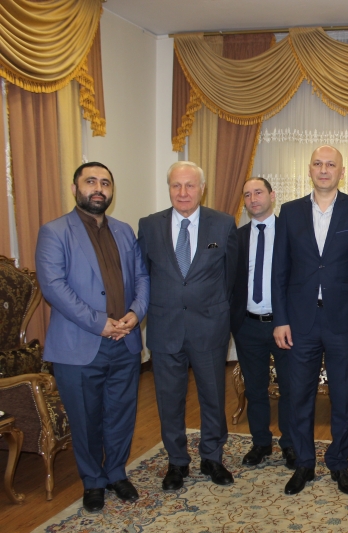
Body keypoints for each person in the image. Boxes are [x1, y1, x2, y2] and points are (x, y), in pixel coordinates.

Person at [35, 162, 149, 513]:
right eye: (90, 182)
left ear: (111, 191)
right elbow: (54, 287)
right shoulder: (55, 232)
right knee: (85, 419)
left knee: (121, 414)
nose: (98, 188)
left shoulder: (124, 231)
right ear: (75, 188)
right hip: (79, 346)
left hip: (125, 341)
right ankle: (93, 481)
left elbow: (142, 277)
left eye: (105, 183)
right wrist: (99, 323)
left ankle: (116, 473)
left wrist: (136, 313)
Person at [272, 145, 348, 495]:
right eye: (317, 163)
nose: (323, 169)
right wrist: (280, 319)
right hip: (299, 322)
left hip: (344, 322)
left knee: (343, 397)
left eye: (330, 164)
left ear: (341, 172)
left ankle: (338, 463)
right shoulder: (289, 212)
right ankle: (304, 463)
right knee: (298, 396)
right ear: (309, 169)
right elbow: (279, 271)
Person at [138, 161, 238, 491]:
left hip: (209, 328)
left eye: (190, 185)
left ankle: (212, 457)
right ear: (169, 188)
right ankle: (177, 462)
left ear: (202, 189)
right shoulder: (149, 226)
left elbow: (230, 278)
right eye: (176, 185)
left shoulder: (223, 224)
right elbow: (143, 276)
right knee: (169, 400)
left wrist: (215, 312)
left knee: (213, 396)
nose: (183, 192)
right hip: (165, 328)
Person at [230, 177, 295, 468]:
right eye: (247, 195)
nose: (253, 199)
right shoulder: (237, 237)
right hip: (247, 325)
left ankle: (290, 443)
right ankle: (260, 443)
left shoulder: (290, 232)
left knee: (290, 388)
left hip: (284, 325)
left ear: (272, 195)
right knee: (255, 388)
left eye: (258, 192)